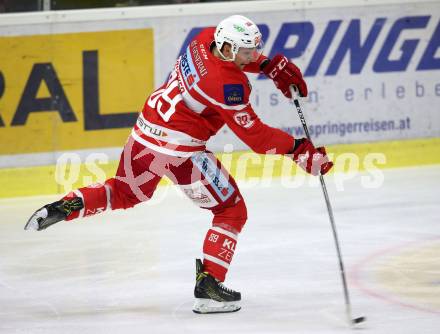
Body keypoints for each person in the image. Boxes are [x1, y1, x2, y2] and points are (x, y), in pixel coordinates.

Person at [24, 15, 333, 314]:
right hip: (180, 152)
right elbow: (257, 138)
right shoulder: (228, 85)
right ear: (226, 48)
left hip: (145, 134)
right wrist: (299, 150)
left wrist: (265, 64)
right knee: (231, 210)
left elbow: (234, 62)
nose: (252, 55)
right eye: (247, 51)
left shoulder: (203, 39)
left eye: (254, 48)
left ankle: (68, 205)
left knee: (124, 191)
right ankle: (209, 286)